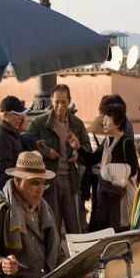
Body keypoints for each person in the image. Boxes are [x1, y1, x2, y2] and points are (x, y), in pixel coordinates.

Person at [27, 84, 94, 234]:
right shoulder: (39, 123)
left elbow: (87, 146)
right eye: (57, 102)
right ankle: (54, 256)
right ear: (51, 101)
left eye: (64, 102)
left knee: (75, 223)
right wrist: (46, 152)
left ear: (69, 101)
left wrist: (78, 152)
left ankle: (77, 256)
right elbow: (28, 147)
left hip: (72, 179)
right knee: (51, 224)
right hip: (50, 179)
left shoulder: (77, 123)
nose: (60, 106)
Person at [91, 102, 139, 232]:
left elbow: (134, 169)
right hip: (107, 196)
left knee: (122, 230)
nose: (104, 123)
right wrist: (77, 147)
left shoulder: (126, 142)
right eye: (104, 119)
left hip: (122, 198)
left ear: (117, 123)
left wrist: (118, 178)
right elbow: (91, 159)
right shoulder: (107, 142)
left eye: (107, 119)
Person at [0, 96, 30, 195]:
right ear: (6, 115)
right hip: (6, 194)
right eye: (16, 114)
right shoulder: (1, 138)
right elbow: (3, 174)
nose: (20, 118)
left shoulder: (11, 134)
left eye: (21, 115)